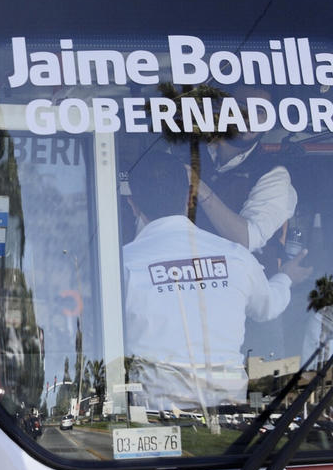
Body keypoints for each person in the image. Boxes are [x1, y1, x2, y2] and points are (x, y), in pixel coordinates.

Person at [124, 152, 311, 421]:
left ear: (132, 204)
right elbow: (267, 307)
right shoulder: (234, 256)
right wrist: (286, 277)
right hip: (229, 423)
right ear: (189, 197)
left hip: (156, 422)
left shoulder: (123, 265)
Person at [195, 90, 298, 254]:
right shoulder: (186, 152)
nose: (247, 117)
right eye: (239, 107)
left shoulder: (274, 174)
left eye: (259, 111)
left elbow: (248, 239)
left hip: (236, 270)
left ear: (269, 123)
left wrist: (199, 187)